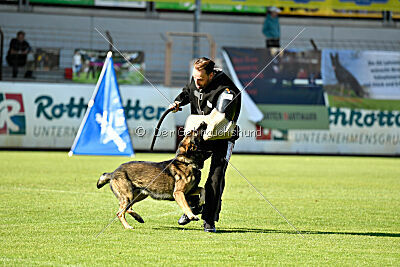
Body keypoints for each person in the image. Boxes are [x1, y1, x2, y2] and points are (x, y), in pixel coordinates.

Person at [169, 57, 241, 233]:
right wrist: (179, 101)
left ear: (211, 75)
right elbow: (188, 91)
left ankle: (209, 220)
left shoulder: (227, 90)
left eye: (200, 79)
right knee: (185, 171)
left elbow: (219, 117)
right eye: (195, 78)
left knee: (215, 178)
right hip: (200, 136)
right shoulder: (197, 79)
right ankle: (194, 205)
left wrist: (207, 125)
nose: (197, 82)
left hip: (222, 137)